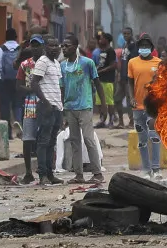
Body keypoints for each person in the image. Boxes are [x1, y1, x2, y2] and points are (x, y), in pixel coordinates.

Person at [60, 35, 105, 185]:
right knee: (74, 141)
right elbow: (62, 87)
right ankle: (78, 174)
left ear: (75, 47)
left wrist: (103, 104)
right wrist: (62, 108)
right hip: (69, 107)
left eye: (67, 46)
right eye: (63, 46)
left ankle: (97, 173)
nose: (64, 48)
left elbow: (97, 83)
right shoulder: (62, 65)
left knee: (88, 138)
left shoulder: (87, 63)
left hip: (85, 105)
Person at [127, 36, 165, 181]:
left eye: (146, 45)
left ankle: (156, 169)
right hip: (137, 106)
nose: (144, 47)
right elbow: (129, 82)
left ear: (151, 47)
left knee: (154, 136)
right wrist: (131, 98)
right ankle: (146, 169)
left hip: (152, 106)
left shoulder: (159, 62)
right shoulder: (132, 62)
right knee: (142, 139)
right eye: (141, 45)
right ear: (138, 47)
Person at [29, 36, 64, 186]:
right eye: (51, 45)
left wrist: (60, 105)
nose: (54, 48)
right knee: (43, 141)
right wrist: (45, 102)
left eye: (56, 45)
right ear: (45, 47)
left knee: (51, 142)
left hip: (57, 107)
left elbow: (57, 85)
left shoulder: (56, 63)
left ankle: (50, 174)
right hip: (46, 107)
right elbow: (34, 83)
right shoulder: (42, 61)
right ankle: (42, 174)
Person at [17, 37, 43, 184]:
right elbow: (18, 85)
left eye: (37, 45)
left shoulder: (49, 63)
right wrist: (30, 89)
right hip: (31, 103)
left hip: (46, 102)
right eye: (32, 46)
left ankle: (44, 171)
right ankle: (28, 172)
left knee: (44, 138)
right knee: (28, 138)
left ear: (42, 47)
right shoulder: (25, 64)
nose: (35, 48)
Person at [0, 28, 23, 139]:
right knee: (18, 104)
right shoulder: (21, 50)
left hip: (3, 82)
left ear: (5, 38)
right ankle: (19, 127)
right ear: (16, 37)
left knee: (4, 107)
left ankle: (7, 134)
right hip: (19, 81)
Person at [94, 32, 118, 128]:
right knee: (99, 102)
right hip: (99, 80)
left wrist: (101, 71)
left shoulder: (110, 51)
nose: (100, 40)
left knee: (109, 101)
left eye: (102, 38)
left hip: (108, 80)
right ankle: (102, 120)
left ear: (107, 40)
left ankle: (111, 120)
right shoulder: (101, 51)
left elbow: (113, 65)